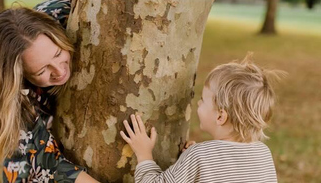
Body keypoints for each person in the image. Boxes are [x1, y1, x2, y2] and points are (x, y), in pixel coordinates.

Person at [0, 0, 101, 183]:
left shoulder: (61, 11)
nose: (60, 71)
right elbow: (53, 168)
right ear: (21, 76)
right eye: (42, 70)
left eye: (58, 53)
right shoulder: (14, 103)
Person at [121, 56, 282, 183]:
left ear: (220, 116)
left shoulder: (200, 155)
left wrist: (144, 154)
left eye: (203, 100)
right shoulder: (263, 153)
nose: (198, 102)